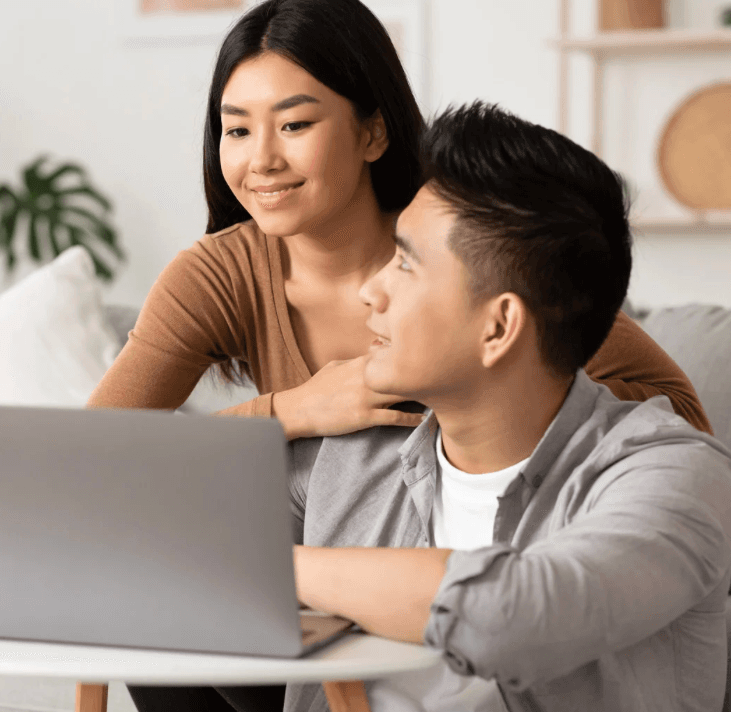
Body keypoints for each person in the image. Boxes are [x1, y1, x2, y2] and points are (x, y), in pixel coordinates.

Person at [87, 0, 711, 442]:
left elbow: (681, 413)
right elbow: (93, 452)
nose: (262, 160)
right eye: (237, 131)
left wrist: (481, 399)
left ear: (373, 134)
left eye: (295, 123)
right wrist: (292, 410)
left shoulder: (465, 242)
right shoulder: (217, 278)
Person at [281, 101, 731, 712]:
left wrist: (280, 569)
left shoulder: (675, 478)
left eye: (407, 264)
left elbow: (511, 614)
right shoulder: (356, 454)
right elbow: (153, 532)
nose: (370, 290)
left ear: (499, 328)